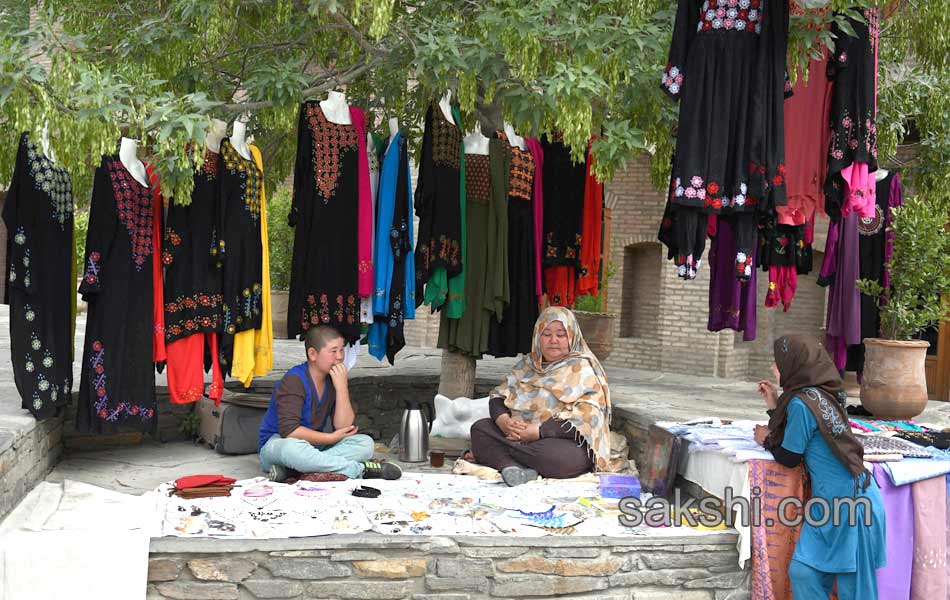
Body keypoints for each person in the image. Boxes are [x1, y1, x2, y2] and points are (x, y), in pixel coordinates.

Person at [754, 334, 886, 600]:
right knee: (804, 573)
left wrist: (766, 438)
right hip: (832, 504)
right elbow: (805, 431)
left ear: (795, 365)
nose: (773, 367)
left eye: (778, 362)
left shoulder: (803, 402)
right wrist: (774, 406)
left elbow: (790, 455)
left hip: (851, 506)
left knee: (855, 590)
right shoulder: (819, 394)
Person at [469, 306, 613, 486]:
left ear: (572, 336)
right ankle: (513, 468)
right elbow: (498, 396)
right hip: (515, 435)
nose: (553, 340)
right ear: (538, 336)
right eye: (546, 334)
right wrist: (504, 422)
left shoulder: (582, 369)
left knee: (561, 458)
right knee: (480, 429)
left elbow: (589, 418)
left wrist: (538, 432)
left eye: (561, 335)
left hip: (555, 442)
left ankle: (504, 458)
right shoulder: (527, 364)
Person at [258, 325, 401, 482]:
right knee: (293, 449)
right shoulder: (294, 380)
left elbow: (343, 426)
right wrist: (330, 438)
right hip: (278, 445)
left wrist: (342, 388)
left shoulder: (332, 379)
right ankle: (360, 470)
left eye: (342, 350)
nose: (339, 357)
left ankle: (294, 471)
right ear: (313, 354)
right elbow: (290, 432)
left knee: (365, 444)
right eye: (333, 351)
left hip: (313, 447)